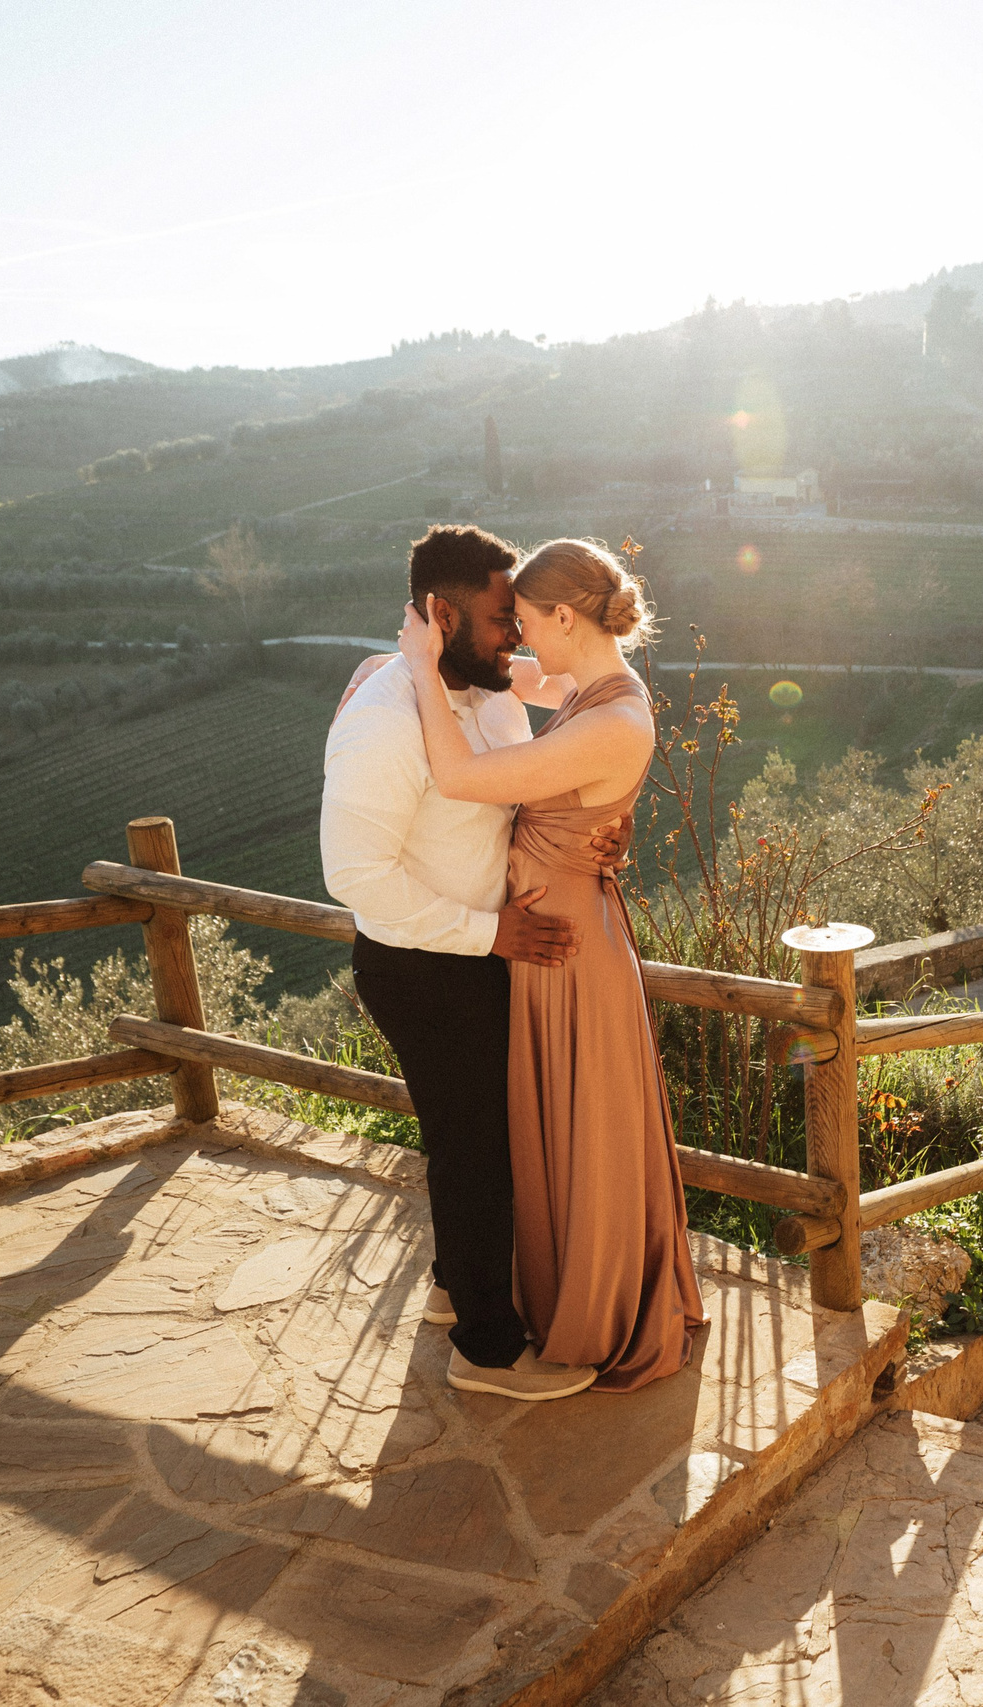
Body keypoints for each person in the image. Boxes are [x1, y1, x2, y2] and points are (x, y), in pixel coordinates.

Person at [394, 537, 705, 1393]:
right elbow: (515, 682)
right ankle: (528, 1284)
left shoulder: (613, 719)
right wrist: (393, 665)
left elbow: (459, 777)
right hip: (551, 936)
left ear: (565, 616)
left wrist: (419, 668)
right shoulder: (590, 686)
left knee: (580, 1129)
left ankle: (592, 1307)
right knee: (545, 1124)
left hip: (565, 951)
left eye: (527, 624)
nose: (522, 642)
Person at [321, 524, 621, 1403]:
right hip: (422, 966)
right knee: (477, 1146)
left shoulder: (488, 688)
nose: (516, 635)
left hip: (481, 951)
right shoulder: (382, 721)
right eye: (499, 619)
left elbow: (561, 737)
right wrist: (490, 936)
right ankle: (488, 1353)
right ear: (442, 615)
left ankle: (458, 1289)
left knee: (469, 1139)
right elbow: (355, 877)